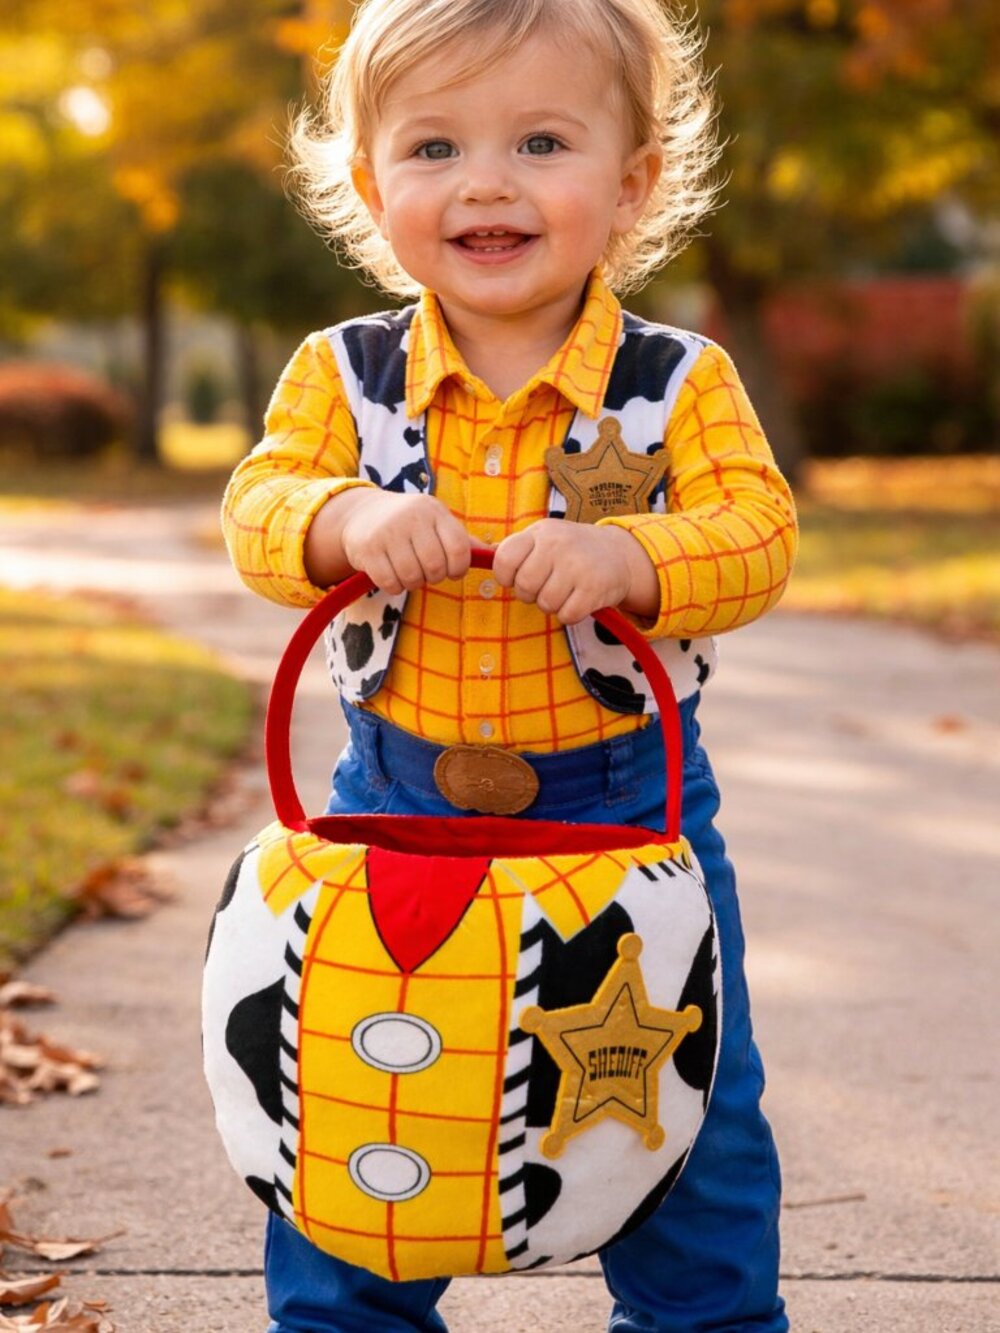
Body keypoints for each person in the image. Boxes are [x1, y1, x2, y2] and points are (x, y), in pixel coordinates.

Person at [222, 0, 798, 1328]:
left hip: (626, 806)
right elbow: (258, 509)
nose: (485, 181)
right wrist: (345, 519)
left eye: (542, 141)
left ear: (632, 180)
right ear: (371, 184)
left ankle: (702, 1316)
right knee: (372, 1082)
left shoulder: (679, 379)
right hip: (399, 802)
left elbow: (758, 534)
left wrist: (636, 558)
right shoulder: (342, 376)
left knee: (679, 1100)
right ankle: (347, 1317)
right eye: (433, 148)